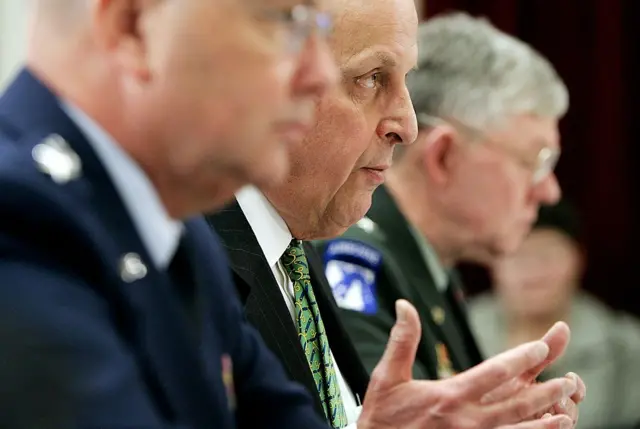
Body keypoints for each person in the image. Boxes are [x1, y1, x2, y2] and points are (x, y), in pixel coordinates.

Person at [207, 3, 583, 428]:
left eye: (405, 80)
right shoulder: (190, 257)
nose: (407, 125)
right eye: (371, 79)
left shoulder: (294, 252)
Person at [0, 0, 339, 427]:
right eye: (286, 19)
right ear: (133, 29)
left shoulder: (177, 228)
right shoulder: (19, 230)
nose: (322, 74)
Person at [317, 11, 568, 381]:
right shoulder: (359, 264)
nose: (550, 191)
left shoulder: (432, 268)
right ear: (443, 157)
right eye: (535, 161)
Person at [469, 200, 640, 429]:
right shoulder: (456, 332)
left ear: (579, 258)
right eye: (517, 255)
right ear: (492, 263)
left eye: (547, 255)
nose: (532, 270)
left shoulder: (626, 347)